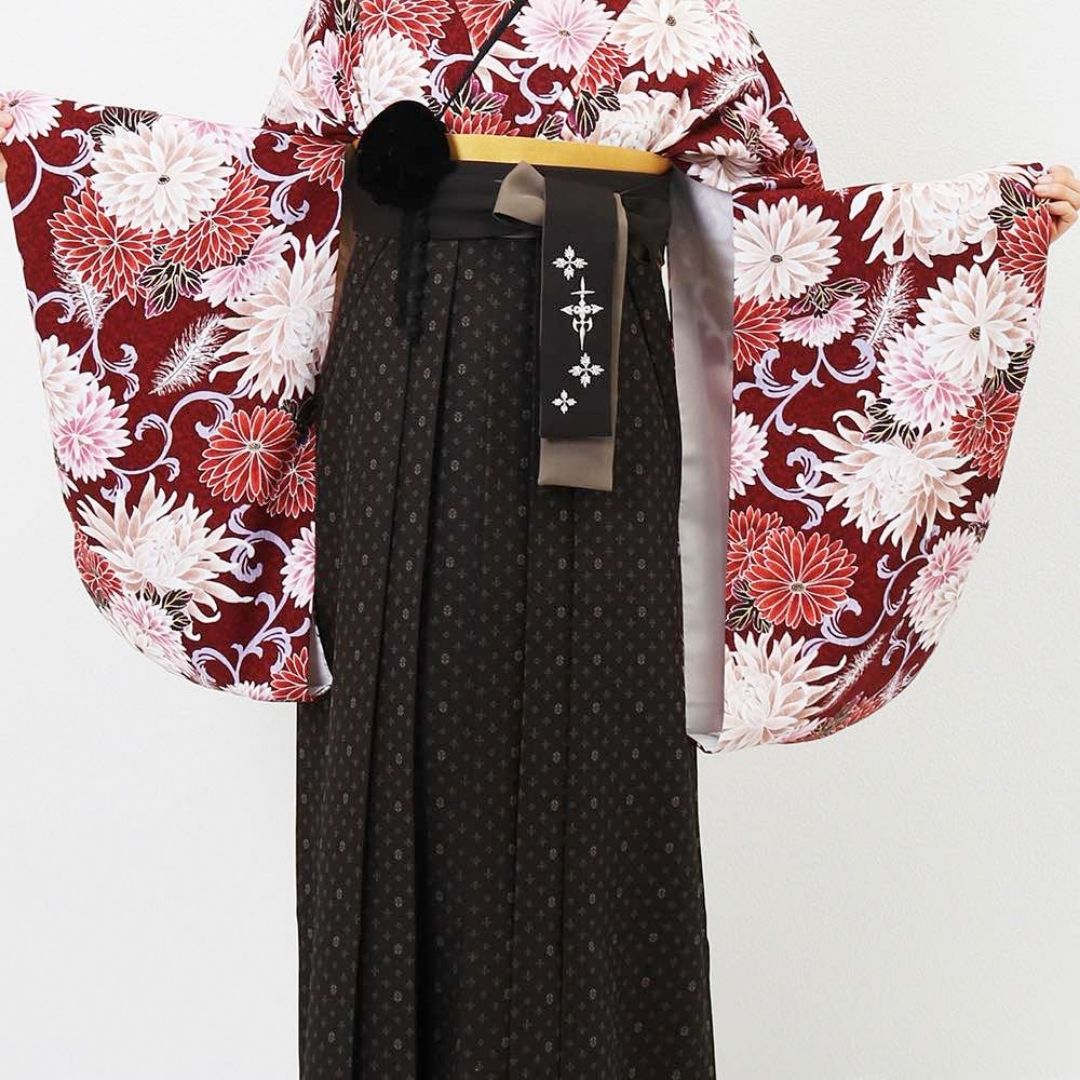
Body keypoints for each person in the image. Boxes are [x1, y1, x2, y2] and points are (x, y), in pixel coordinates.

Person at [0, 3, 1075, 1077]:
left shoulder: (678, 20)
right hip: (392, 396)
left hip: (610, 410)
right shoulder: (363, 12)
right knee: (392, 720)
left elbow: (791, 241)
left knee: (611, 744)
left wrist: (995, 220)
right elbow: (279, 199)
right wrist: (48, 148)